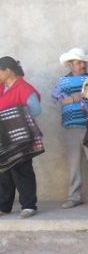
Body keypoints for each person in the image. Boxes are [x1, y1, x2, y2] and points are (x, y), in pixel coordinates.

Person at [51, 48, 88, 209]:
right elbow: (58, 99)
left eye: (83, 62)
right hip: (71, 127)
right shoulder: (62, 81)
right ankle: (74, 196)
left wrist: (70, 99)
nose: (82, 65)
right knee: (74, 163)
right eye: (78, 62)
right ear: (70, 65)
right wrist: (76, 98)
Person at [0, 56, 42, 218]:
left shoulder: (24, 88)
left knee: (21, 169)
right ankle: (4, 206)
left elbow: (36, 110)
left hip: (20, 137)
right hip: (3, 138)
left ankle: (29, 205)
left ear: (7, 70)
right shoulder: (1, 87)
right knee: (3, 170)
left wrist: (14, 117)